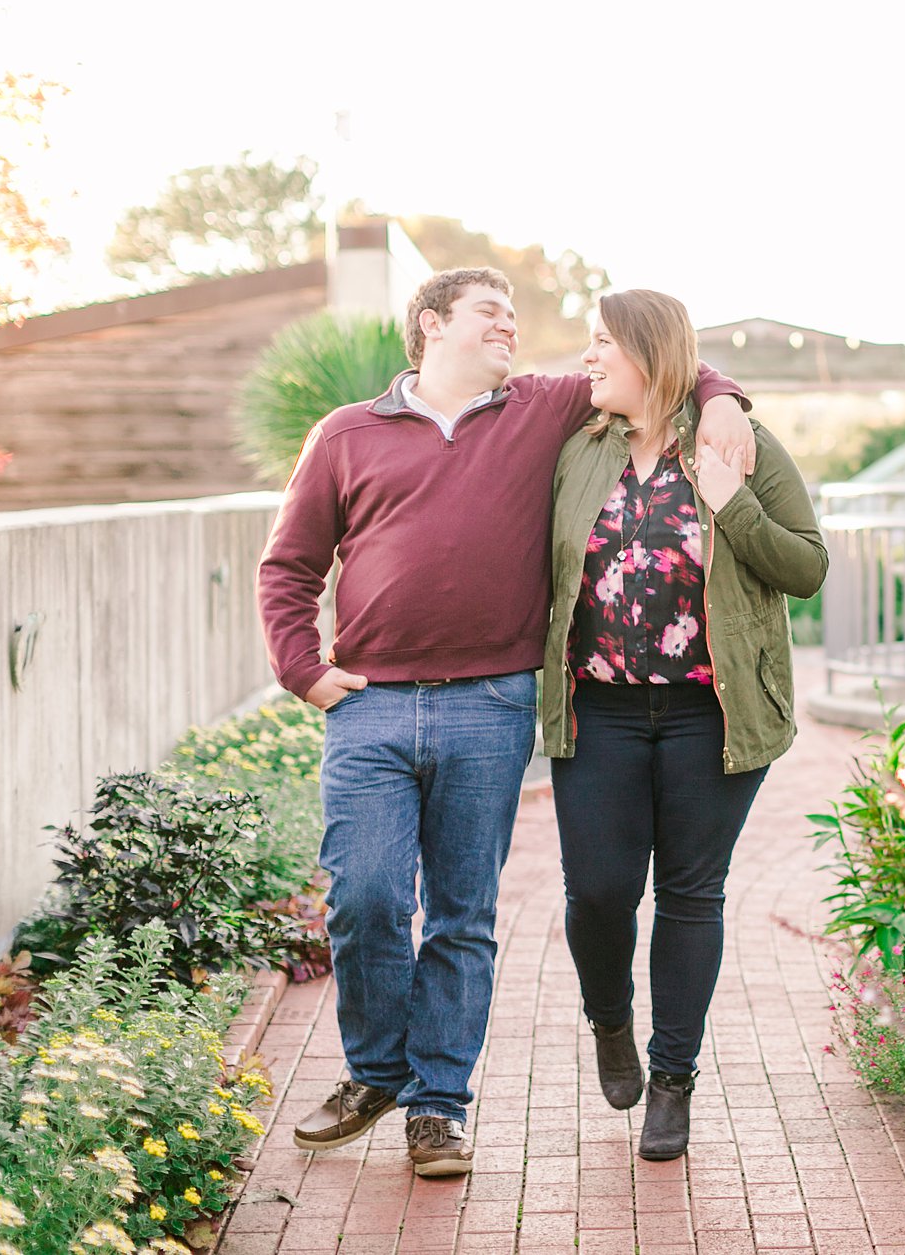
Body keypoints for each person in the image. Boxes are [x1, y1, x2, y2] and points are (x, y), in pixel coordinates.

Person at [257, 267, 755, 1178]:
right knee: (366, 897)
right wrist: (303, 667)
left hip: (489, 703)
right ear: (431, 324)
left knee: (462, 914)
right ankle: (375, 1072)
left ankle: (437, 1108)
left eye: (516, 318)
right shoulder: (346, 434)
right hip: (368, 704)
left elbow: (662, 364)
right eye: (492, 314)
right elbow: (288, 564)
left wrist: (723, 398)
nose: (512, 330)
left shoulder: (537, 409)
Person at [539, 288, 826, 1161]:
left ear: (647, 354)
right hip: (601, 708)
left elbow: (808, 567)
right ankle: (611, 1019)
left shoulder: (738, 442)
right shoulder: (575, 449)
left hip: (714, 712)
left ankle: (674, 1079)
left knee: (691, 895)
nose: (587, 358)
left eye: (601, 344)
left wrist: (733, 500)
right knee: (597, 891)